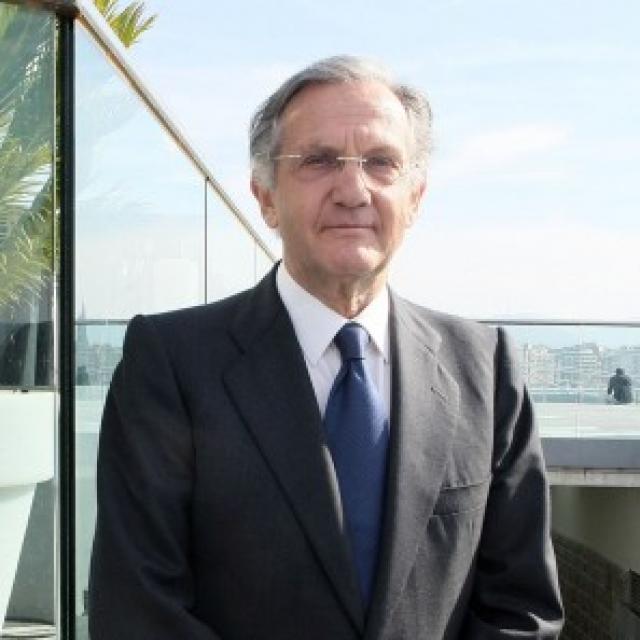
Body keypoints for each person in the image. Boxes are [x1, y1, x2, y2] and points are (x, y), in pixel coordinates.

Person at [89, 56, 564, 639]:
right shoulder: (171, 364)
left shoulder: (486, 369)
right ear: (266, 197)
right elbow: (138, 608)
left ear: (415, 197)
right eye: (318, 160)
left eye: (381, 162)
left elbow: (522, 608)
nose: (353, 190)